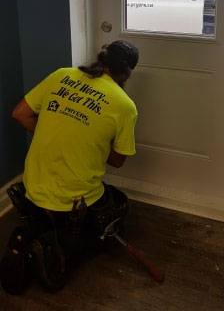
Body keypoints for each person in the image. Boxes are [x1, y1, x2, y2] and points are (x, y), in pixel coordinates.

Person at [1, 40, 139, 293]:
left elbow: (20, 114)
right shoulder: (124, 106)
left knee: (50, 211)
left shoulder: (62, 75)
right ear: (127, 73)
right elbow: (118, 160)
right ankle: (58, 247)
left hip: (33, 185)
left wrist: (54, 132)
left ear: (101, 58)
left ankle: (38, 227)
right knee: (117, 204)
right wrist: (91, 143)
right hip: (73, 201)